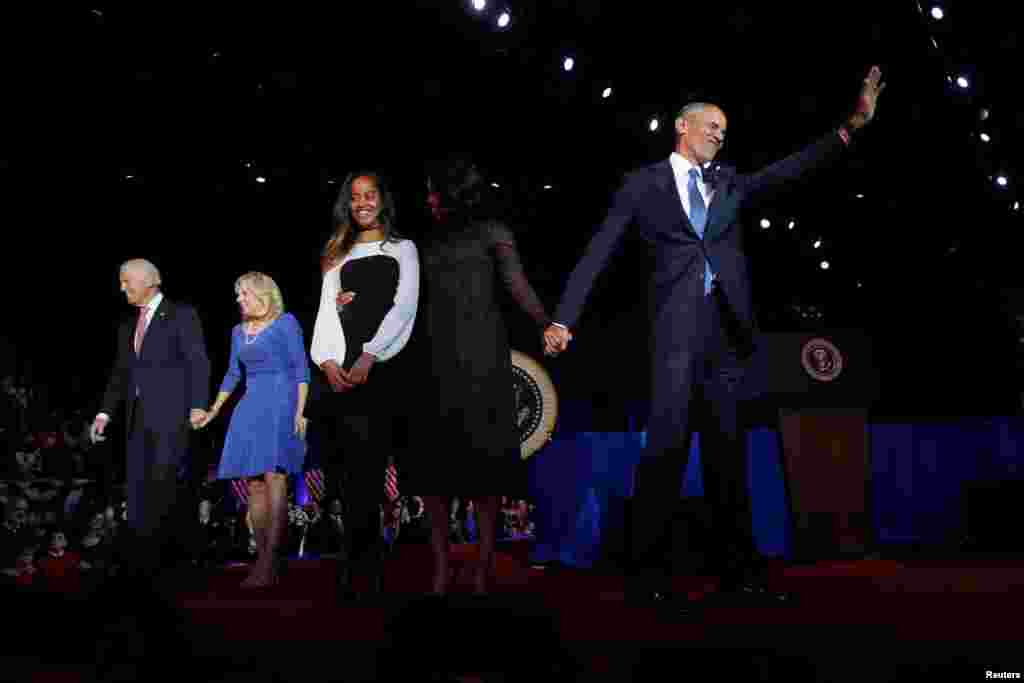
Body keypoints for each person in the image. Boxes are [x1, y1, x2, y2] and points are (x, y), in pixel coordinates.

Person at [543, 67, 886, 613]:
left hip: (726, 338)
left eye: (725, 129)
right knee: (665, 455)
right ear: (682, 125)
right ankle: (647, 575)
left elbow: (788, 171)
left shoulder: (728, 182)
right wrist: (564, 319)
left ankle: (740, 572)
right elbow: (599, 251)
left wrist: (850, 127)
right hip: (672, 339)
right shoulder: (642, 184)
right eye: (711, 124)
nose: (719, 134)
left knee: (729, 457)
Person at [411, 157, 551, 596]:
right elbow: (406, 301)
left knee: (485, 469)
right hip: (434, 360)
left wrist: (547, 323)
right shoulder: (423, 241)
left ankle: (481, 569)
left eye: (434, 191)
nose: (429, 199)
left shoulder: (494, 232)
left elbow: (518, 285)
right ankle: (440, 568)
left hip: (483, 359)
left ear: (452, 192)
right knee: (435, 472)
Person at [308, 171, 419, 601]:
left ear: (382, 200)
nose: (362, 203)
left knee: (382, 471)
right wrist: (329, 360)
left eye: (369, 195)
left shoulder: (403, 249)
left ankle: (381, 566)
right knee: (352, 473)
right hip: (345, 374)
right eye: (355, 197)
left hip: (387, 368)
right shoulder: (338, 252)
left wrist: (372, 353)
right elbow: (326, 313)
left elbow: (404, 305)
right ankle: (354, 563)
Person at [90, 259, 210, 580]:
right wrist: (104, 413)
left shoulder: (182, 315)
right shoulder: (127, 326)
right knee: (139, 489)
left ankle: (178, 561)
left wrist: (199, 405)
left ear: (150, 281)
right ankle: (144, 563)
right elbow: (119, 374)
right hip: (136, 419)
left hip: (172, 417)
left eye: (126, 280)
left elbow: (196, 361)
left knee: (168, 486)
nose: (121, 287)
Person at [194, 272, 310, 587]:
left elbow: (301, 369)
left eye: (244, 293)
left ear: (263, 295)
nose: (239, 299)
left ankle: (272, 562)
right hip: (250, 406)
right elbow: (233, 374)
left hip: (282, 404)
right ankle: (263, 560)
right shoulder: (237, 332)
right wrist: (214, 410)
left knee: (275, 478)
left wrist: (300, 412)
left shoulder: (286, 323)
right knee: (255, 484)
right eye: (238, 294)